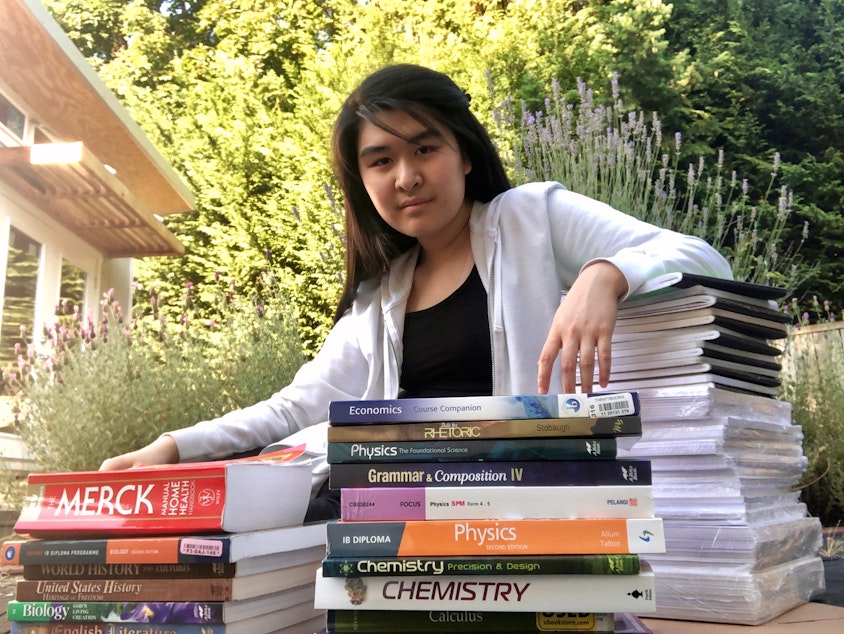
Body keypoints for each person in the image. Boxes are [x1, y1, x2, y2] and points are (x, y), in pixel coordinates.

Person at [101, 64, 733, 520]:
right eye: (380, 161)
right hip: (393, 514)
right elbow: (297, 407)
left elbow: (704, 257)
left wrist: (605, 274)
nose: (406, 176)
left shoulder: (531, 218)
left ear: (462, 154)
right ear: (363, 182)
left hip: (526, 507)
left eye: (425, 148)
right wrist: (174, 446)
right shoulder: (379, 298)